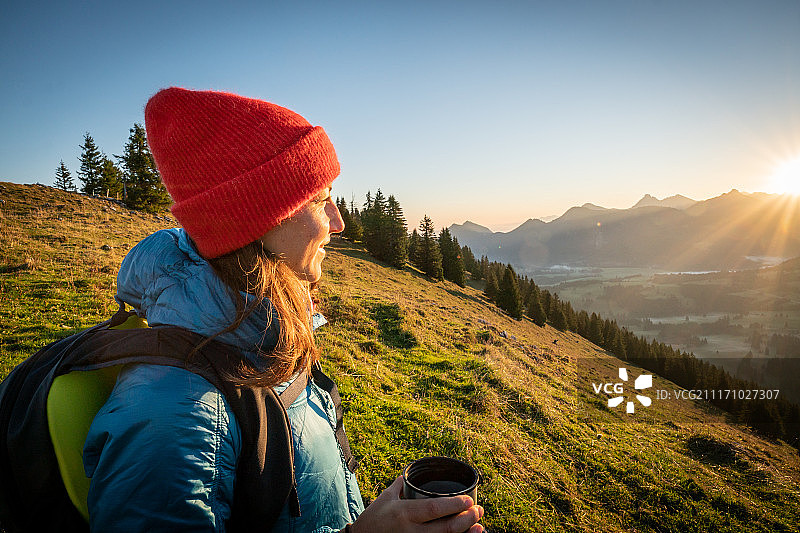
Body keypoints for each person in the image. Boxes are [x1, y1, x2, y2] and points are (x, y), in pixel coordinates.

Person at [82, 87, 485, 533]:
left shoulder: (261, 330)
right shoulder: (176, 417)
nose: (338, 221)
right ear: (258, 218)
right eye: (319, 199)